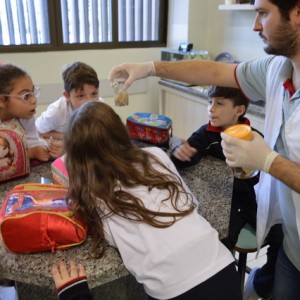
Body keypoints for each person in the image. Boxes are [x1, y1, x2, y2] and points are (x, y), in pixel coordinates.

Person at [108, 1, 300, 298]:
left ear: (297, 13)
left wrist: (268, 161)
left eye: (263, 12)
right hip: (293, 245)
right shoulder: (278, 69)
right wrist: (150, 68)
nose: (255, 25)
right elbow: (212, 72)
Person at [64, 101, 242, 300]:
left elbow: (114, 240)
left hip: (176, 290)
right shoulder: (155, 155)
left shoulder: (93, 195)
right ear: (122, 131)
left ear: (76, 158)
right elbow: (191, 203)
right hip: (222, 265)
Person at [170, 85, 283, 299]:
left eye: (219, 103)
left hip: (255, 200)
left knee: (282, 239)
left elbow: (265, 175)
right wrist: (178, 151)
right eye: (210, 102)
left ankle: (261, 282)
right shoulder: (207, 134)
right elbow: (188, 155)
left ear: (239, 110)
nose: (211, 109)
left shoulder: (253, 138)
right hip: (229, 201)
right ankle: (225, 288)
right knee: (222, 240)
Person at [35, 61, 104, 157]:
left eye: (94, 94)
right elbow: (38, 131)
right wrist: (65, 138)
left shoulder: (100, 106)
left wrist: (68, 142)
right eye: (81, 96)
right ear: (67, 96)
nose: (89, 102)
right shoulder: (56, 112)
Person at [0, 64, 51, 161]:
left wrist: (48, 149)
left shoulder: (26, 117)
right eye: (26, 96)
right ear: (1, 101)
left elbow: (33, 142)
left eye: (33, 93)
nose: (34, 100)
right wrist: (32, 153)